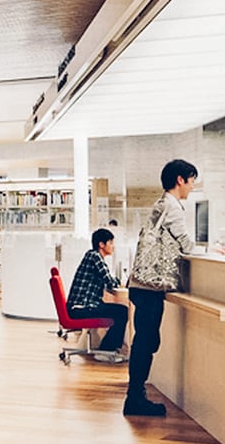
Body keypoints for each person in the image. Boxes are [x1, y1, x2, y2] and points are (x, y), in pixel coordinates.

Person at [124, 159, 198, 418]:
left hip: (141, 284)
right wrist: (212, 251)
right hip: (150, 286)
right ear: (180, 179)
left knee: (145, 340)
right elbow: (186, 244)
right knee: (146, 342)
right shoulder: (172, 207)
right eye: (191, 181)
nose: (192, 187)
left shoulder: (161, 205)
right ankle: (134, 399)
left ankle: (136, 395)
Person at [67, 228, 129, 363]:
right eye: (111, 243)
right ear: (101, 244)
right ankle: (106, 351)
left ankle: (108, 349)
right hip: (82, 308)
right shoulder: (95, 256)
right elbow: (109, 280)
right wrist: (120, 282)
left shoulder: (91, 256)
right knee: (122, 312)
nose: (113, 246)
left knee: (120, 311)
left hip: (82, 306)